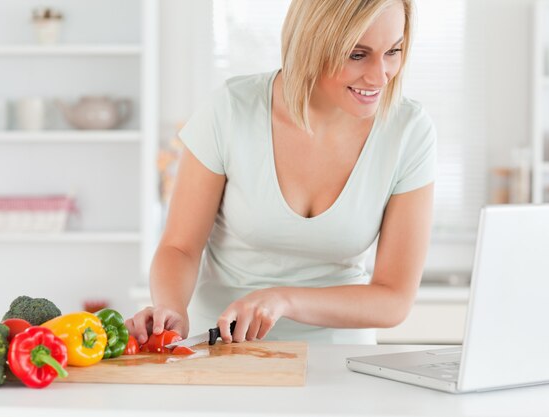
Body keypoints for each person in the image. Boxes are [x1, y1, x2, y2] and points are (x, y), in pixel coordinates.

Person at [126, 0, 436, 345]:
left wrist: (284, 300)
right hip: (222, 350)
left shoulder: (408, 130)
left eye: (394, 51)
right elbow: (179, 247)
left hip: (340, 361)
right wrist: (171, 308)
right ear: (311, 44)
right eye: (357, 55)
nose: (380, 76)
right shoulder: (231, 110)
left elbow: (393, 299)